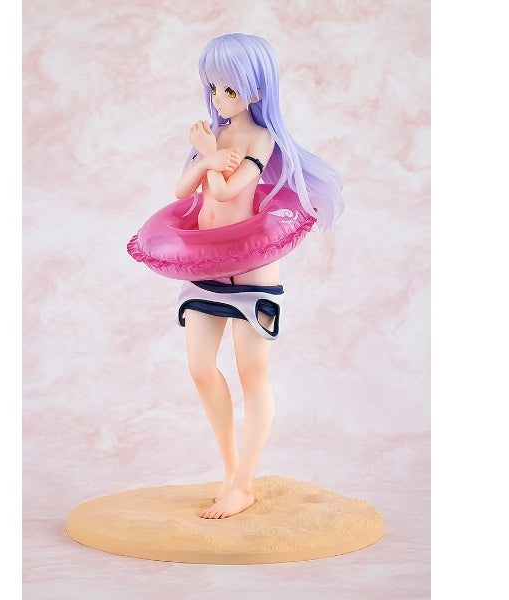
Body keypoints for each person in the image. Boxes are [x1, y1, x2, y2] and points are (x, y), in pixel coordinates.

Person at [174, 33, 343, 519]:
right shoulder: (215, 136)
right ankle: (230, 472)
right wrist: (206, 156)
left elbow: (227, 191)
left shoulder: (259, 139)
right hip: (207, 267)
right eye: (213, 87)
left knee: (252, 372)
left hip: (250, 273)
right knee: (201, 368)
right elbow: (183, 190)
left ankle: (244, 484)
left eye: (229, 89)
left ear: (256, 90)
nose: (218, 98)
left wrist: (209, 155)